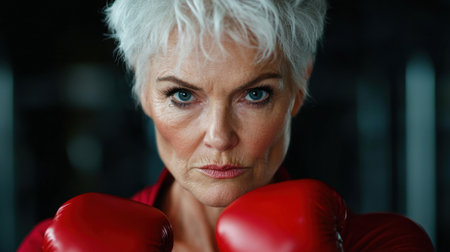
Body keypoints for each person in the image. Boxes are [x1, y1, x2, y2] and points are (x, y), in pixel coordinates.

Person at [18, 0, 434, 251]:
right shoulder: (51, 245)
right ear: (142, 91)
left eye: (255, 94)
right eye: (183, 95)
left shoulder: (380, 247)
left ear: (299, 86)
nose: (219, 136)